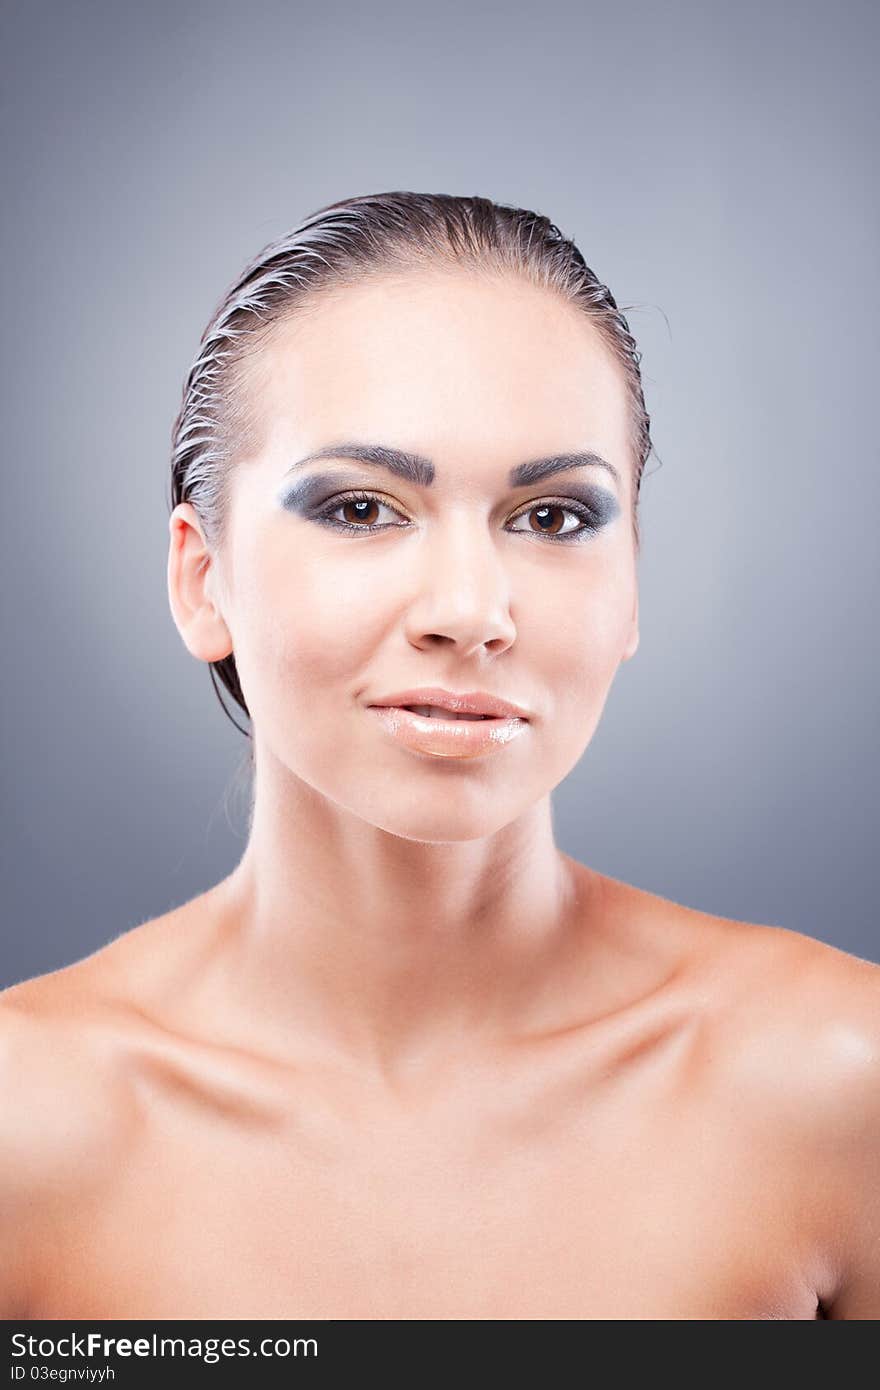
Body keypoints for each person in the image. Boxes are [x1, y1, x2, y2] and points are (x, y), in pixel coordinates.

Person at [1, 192, 877, 1320]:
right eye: (363, 508)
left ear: (631, 585)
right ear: (200, 578)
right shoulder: (26, 1126)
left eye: (554, 517)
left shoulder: (838, 1081)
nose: (470, 611)